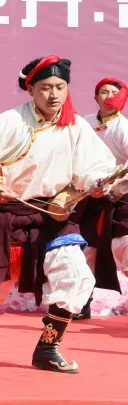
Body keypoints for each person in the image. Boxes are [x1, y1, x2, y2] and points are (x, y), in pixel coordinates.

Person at [0, 56, 120, 374]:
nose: (54, 95)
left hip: (51, 217)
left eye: (60, 87)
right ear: (31, 90)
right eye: (45, 88)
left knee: (76, 275)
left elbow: (95, 168)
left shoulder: (76, 126)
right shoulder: (10, 121)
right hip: (3, 214)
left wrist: (91, 187)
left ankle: (47, 347)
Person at [78, 77, 128, 318]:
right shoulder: (83, 125)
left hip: (121, 198)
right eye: (104, 92)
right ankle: (80, 304)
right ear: (96, 97)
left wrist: (118, 185)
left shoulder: (124, 128)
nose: (109, 97)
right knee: (83, 251)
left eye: (114, 93)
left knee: (124, 246)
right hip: (89, 197)